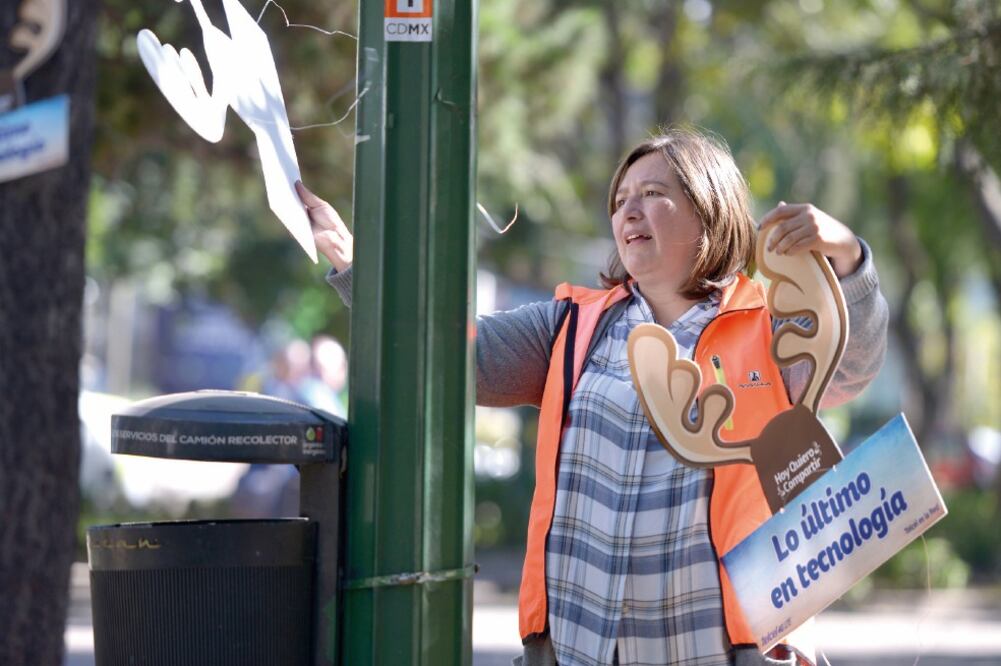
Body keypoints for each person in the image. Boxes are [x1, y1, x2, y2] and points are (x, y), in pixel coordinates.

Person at [297, 128, 888, 666]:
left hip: (725, 649)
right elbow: (448, 360)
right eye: (620, 198)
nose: (628, 209)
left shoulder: (766, 326)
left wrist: (851, 258)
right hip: (580, 647)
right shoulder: (571, 326)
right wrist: (355, 266)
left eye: (654, 193)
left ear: (709, 211)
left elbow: (853, 367)